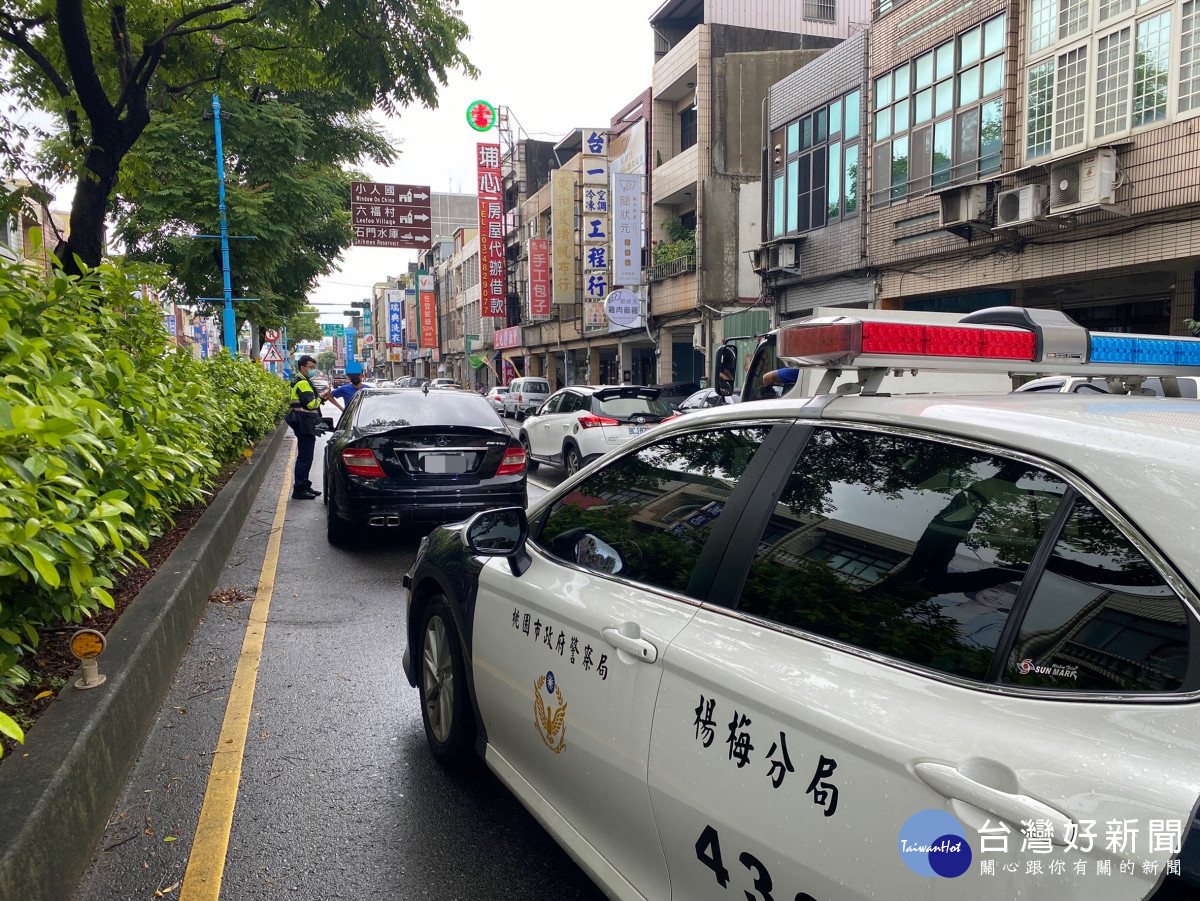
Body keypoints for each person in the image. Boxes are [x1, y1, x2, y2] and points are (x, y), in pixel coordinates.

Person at [286, 355, 331, 499]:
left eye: (314, 367)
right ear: (302, 368)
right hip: (304, 423)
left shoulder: (304, 381)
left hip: (305, 422)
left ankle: (305, 485)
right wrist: (321, 397)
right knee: (305, 457)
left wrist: (319, 399)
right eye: (311, 367)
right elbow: (310, 404)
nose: (313, 370)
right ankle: (299, 489)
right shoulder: (303, 383)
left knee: (307, 456)